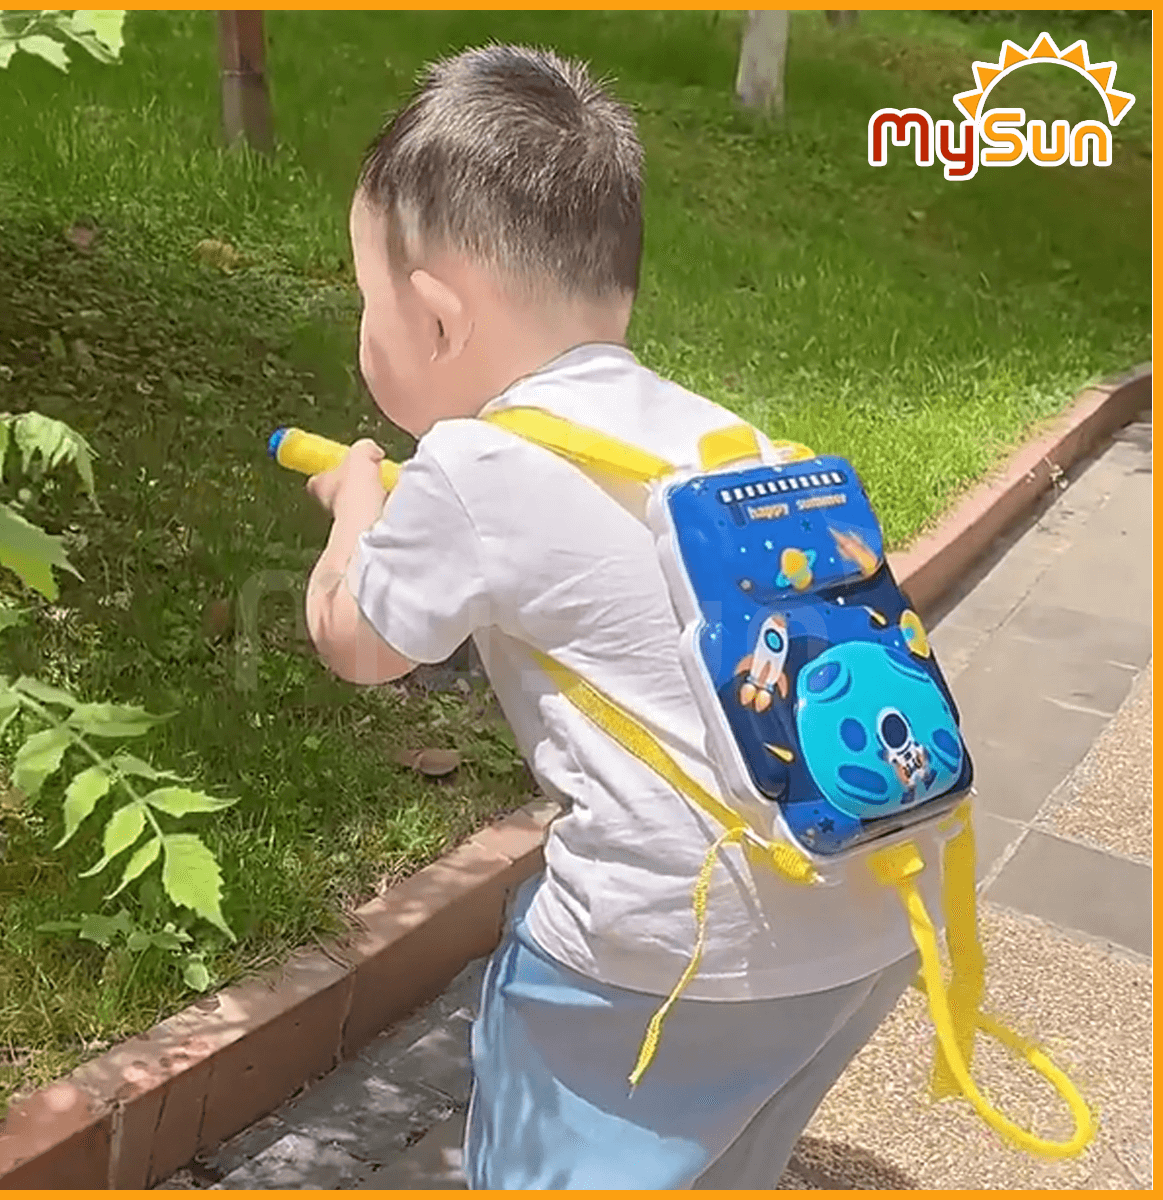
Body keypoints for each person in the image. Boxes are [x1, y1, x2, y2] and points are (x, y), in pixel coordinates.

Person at [303, 43, 932, 1189]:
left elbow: (357, 639)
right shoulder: (724, 441)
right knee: (724, 1156)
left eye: (365, 300)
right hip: (876, 903)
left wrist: (355, 506)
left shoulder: (470, 462)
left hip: (661, 954)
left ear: (435, 321)